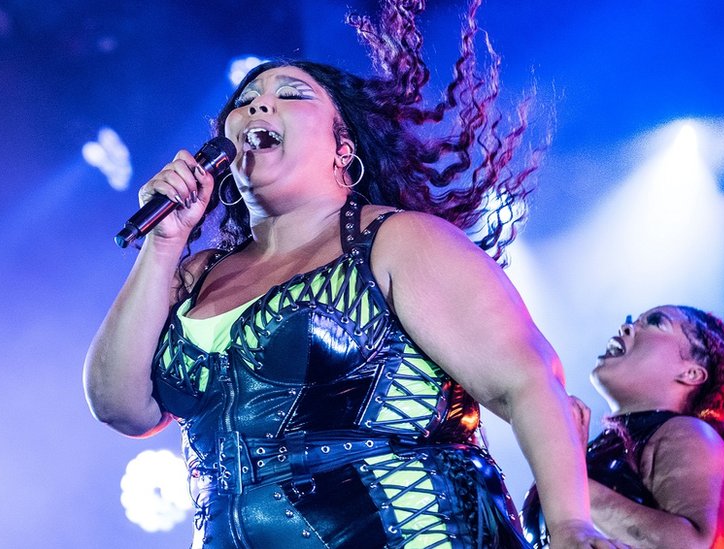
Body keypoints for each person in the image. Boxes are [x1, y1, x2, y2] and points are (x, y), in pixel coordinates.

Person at [84, 1, 618, 547]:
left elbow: (525, 381)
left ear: (344, 150)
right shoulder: (194, 274)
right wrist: (162, 245)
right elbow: (120, 406)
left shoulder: (395, 241)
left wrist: (571, 525)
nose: (257, 109)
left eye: (289, 96)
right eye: (244, 104)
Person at [522, 305, 724, 548]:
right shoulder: (607, 446)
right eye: (632, 321)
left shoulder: (688, 434)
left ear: (691, 373)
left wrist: (569, 476)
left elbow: (698, 546)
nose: (626, 327)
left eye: (655, 323)